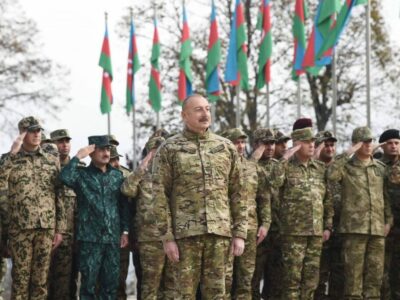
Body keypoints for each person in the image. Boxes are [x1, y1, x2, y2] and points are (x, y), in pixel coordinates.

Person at [152, 94, 247, 299]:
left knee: (217, 295)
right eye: (198, 110)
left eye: (207, 109)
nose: (205, 114)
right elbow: (159, 196)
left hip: (219, 235)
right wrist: (167, 238)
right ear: (184, 115)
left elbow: (238, 191)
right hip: (185, 237)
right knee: (182, 295)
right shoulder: (169, 149)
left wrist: (239, 233)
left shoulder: (225, 147)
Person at [0, 116, 65, 300]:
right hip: (20, 229)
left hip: (46, 228)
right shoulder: (9, 159)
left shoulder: (51, 160)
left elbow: (58, 194)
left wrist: (59, 228)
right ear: (22, 134)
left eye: (39, 130)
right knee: (20, 281)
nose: (37, 134)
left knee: (40, 281)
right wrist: (13, 153)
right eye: (32, 131)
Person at [59, 135, 130, 299]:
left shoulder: (117, 176)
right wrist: (78, 156)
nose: (106, 153)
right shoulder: (82, 175)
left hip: (112, 239)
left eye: (107, 149)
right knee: (88, 286)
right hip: (90, 239)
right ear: (91, 152)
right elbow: (64, 177)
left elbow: (123, 205)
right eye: (101, 149)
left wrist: (125, 231)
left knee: (111, 286)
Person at [328, 126, 392, 300]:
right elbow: (331, 174)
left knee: (374, 280)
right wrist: (348, 152)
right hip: (354, 230)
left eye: (370, 141)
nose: (368, 144)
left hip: (377, 230)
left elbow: (385, 196)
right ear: (356, 144)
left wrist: (388, 221)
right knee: (353, 281)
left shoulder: (379, 168)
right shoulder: (345, 167)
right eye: (364, 142)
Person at [272, 119, 333, 300]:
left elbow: (327, 199)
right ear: (297, 144)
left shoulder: (320, 168)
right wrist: (285, 157)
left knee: (311, 281)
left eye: (313, 142)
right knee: (292, 280)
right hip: (293, 233)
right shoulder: (285, 167)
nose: (312, 146)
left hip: (315, 234)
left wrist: (327, 226)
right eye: (307, 142)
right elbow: (273, 182)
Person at [222, 128, 271, 299]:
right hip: (225, 230)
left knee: (246, 279)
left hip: (250, 229)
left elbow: (264, 197)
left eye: (243, 142)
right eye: (237, 142)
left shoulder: (252, 167)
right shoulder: (220, 167)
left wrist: (265, 223)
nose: (241, 146)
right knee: (224, 280)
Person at [121, 136, 166, 300]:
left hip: (172, 237)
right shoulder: (141, 175)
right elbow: (127, 189)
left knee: (171, 285)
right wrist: (145, 162)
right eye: (155, 151)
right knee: (150, 285)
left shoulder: (173, 172)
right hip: (149, 238)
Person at [250, 128, 282, 300]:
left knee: (276, 282)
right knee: (253, 280)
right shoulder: (249, 166)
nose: (270, 147)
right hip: (257, 233)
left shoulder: (278, 167)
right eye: (265, 143)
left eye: (272, 143)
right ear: (256, 145)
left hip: (277, 232)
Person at [313, 131, 344, 300]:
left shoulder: (341, 168)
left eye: (332, 145)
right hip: (318, 229)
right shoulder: (312, 169)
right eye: (326, 145)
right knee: (319, 273)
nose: (330, 148)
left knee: (339, 273)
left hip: (340, 227)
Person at [377, 129, 400, 300]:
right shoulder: (375, 165)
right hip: (382, 226)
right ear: (382, 146)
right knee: (381, 271)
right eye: (390, 143)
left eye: (397, 143)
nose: (393, 146)